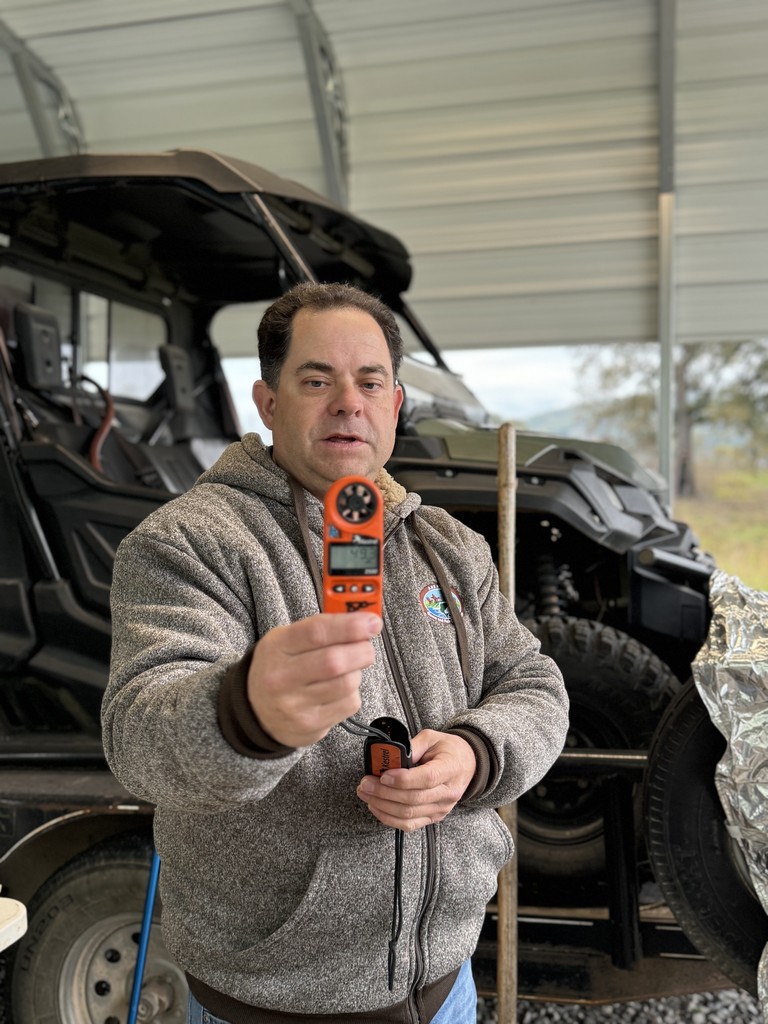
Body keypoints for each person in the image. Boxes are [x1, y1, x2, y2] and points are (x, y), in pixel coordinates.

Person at [103, 282, 569, 1024]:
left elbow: (532, 682)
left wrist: (472, 754)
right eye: (316, 379)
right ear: (268, 402)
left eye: (369, 381)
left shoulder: (449, 544)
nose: (348, 401)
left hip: (449, 987)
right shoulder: (191, 542)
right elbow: (139, 733)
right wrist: (243, 712)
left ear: (395, 404)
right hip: (270, 1005)